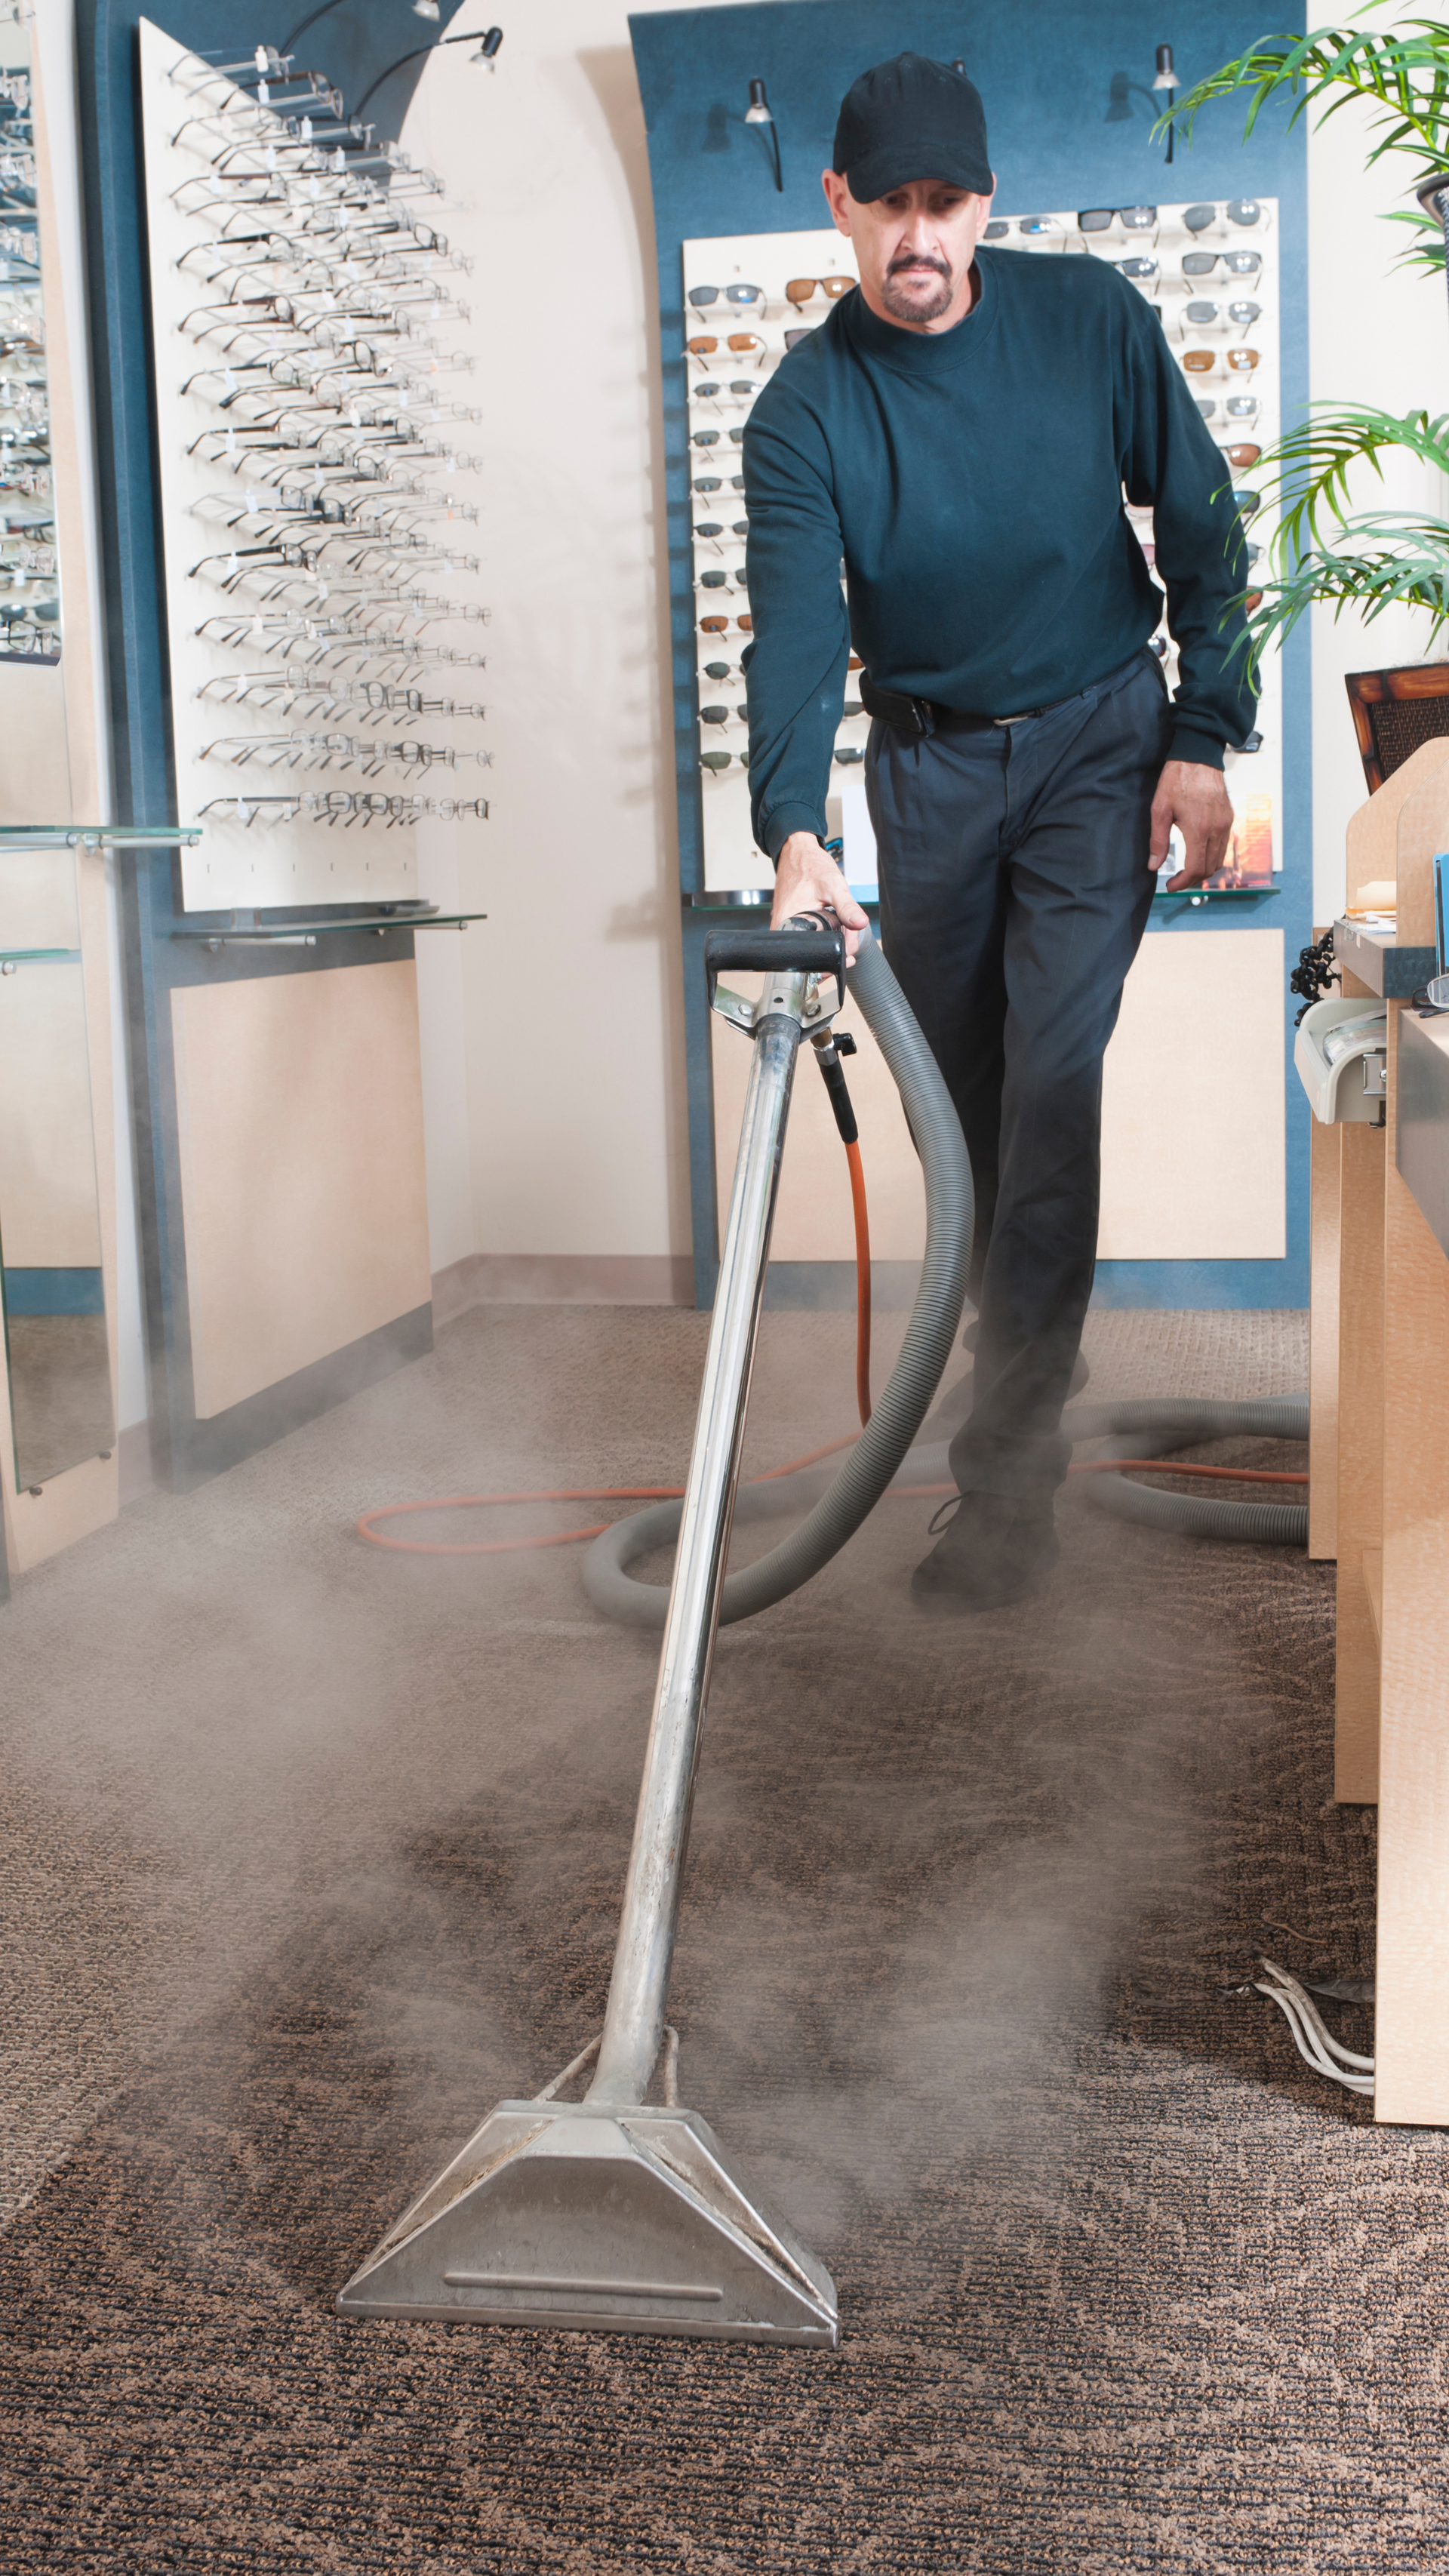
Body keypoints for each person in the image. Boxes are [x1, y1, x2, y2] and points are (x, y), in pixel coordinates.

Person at [740, 51, 1257, 1613]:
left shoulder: (1091, 316)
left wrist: (1205, 733)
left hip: (1103, 743)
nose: (919, 237)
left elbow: (1204, 514)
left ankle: (1006, 1483)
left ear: (986, 202)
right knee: (963, 1131)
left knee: (1053, 1085)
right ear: (837, 205)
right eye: (887, 204)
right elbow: (787, 638)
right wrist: (792, 827)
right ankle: (1011, 1382)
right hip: (934, 773)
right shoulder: (803, 411)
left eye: (944, 203)